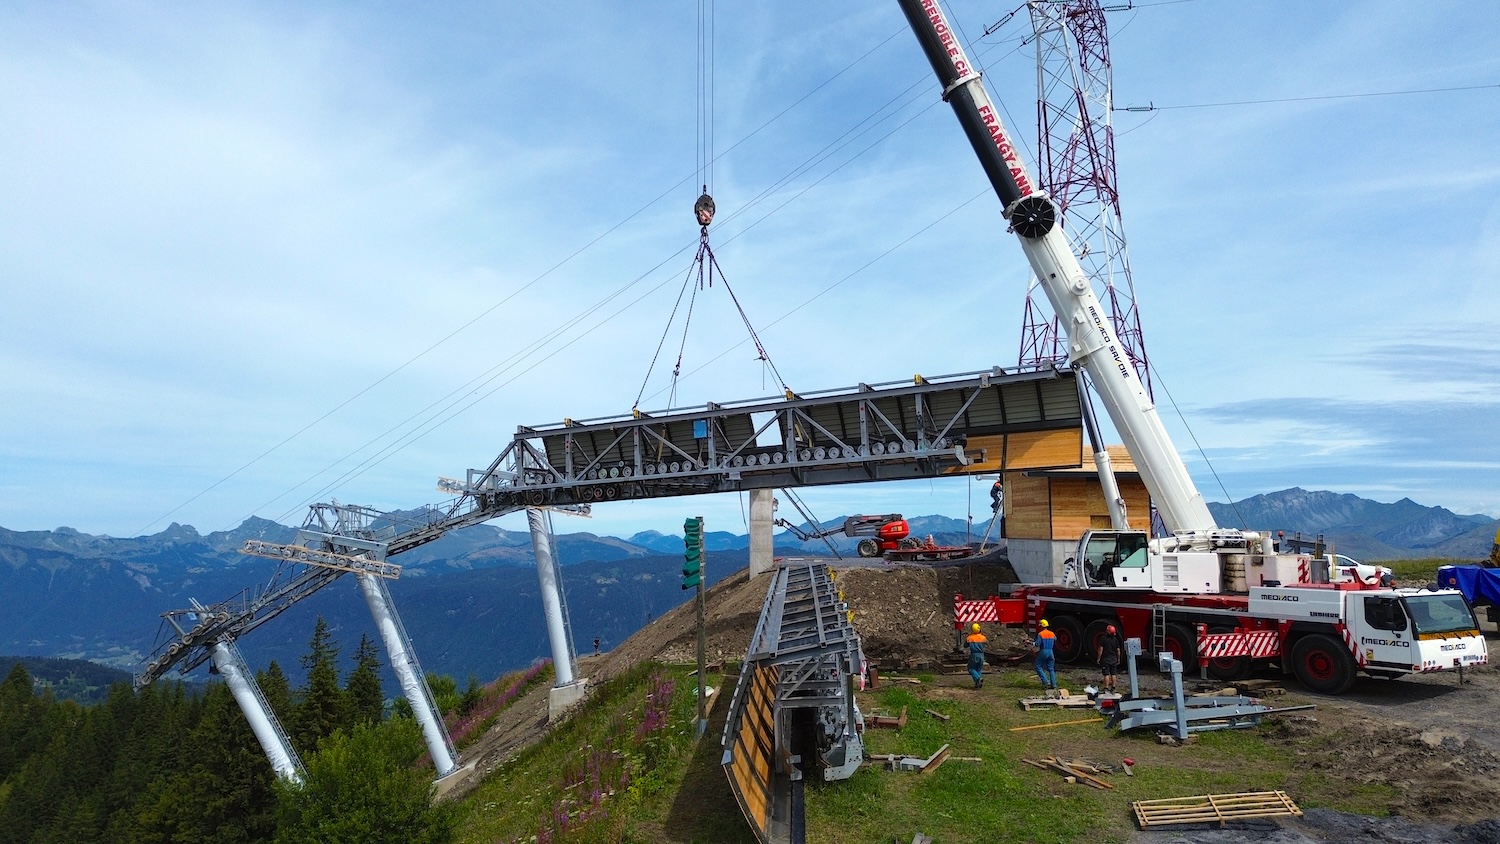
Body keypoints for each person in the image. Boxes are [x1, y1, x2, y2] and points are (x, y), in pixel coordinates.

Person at [1096, 624, 1123, 693]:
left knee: (1106, 674)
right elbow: (1118, 650)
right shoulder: (1115, 640)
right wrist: (1118, 659)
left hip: (1106, 659)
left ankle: (1106, 688)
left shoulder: (1103, 638)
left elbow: (1100, 649)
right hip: (1114, 658)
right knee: (1113, 674)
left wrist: (1098, 658)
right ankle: (1113, 688)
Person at [1033, 619, 1057, 690]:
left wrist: (1031, 643)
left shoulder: (1040, 634)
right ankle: (1054, 684)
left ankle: (1045, 682)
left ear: (1041, 626)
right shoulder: (1052, 633)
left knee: (1038, 666)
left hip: (1044, 651)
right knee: (1051, 669)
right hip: (1051, 652)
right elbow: (1055, 639)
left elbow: (1037, 644)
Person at [966, 623, 988, 689]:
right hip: (981, 655)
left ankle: (978, 679)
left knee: (971, 669)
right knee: (978, 669)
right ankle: (977, 684)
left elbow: (965, 645)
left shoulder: (970, 638)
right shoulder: (983, 638)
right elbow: (986, 644)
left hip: (974, 655)